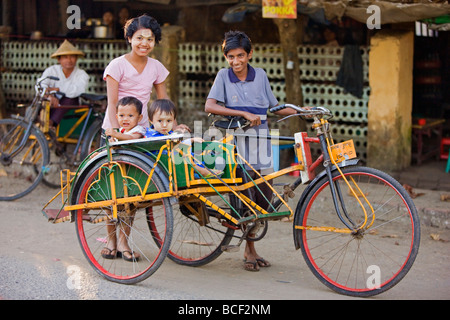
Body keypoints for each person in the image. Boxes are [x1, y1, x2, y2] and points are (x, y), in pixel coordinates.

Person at [205, 30, 296, 271]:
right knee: (246, 199)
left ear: (250, 54)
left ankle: (250, 246)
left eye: (240, 55)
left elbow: (274, 108)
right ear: (226, 57)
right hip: (237, 145)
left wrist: (299, 110)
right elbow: (210, 105)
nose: (236, 62)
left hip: (262, 143)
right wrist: (242, 113)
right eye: (231, 57)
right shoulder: (223, 76)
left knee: (264, 199)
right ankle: (250, 250)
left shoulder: (261, 76)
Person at [102, 14, 189, 134]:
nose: (144, 43)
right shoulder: (117, 66)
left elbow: (163, 99)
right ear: (129, 38)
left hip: (141, 130)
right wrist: (116, 132)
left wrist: (175, 126)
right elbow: (112, 103)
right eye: (139, 38)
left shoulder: (156, 66)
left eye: (150, 39)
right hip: (116, 127)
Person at [147, 99, 222, 178]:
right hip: (160, 162)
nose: (165, 125)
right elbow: (170, 144)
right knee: (182, 154)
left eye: (169, 121)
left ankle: (199, 171)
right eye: (160, 121)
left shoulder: (168, 133)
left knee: (193, 152)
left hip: (171, 160)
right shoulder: (151, 135)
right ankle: (201, 171)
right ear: (151, 120)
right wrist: (190, 140)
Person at [41, 40, 89, 126]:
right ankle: (37, 123)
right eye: (65, 57)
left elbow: (76, 91)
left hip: (70, 104)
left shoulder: (82, 74)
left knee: (69, 100)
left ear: (76, 58)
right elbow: (41, 85)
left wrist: (57, 90)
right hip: (51, 101)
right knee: (42, 99)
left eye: (72, 57)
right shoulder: (51, 70)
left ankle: (51, 124)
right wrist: (49, 96)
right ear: (59, 59)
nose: (69, 60)